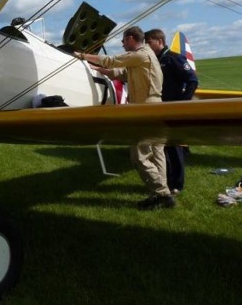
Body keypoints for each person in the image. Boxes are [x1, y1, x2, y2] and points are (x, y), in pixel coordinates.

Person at [74, 26, 175, 210]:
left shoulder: (140, 54)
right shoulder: (145, 57)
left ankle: (162, 194)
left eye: (123, 41)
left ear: (130, 39)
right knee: (156, 153)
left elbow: (113, 61)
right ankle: (160, 193)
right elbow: (120, 73)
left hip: (145, 108)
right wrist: (97, 69)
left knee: (139, 154)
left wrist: (83, 55)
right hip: (154, 107)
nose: (122, 44)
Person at [145, 29, 199, 195]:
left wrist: (182, 104)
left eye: (149, 42)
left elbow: (192, 80)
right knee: (163, 148)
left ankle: (177, 184)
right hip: (160, 107)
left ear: (159, 41)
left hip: (172, 107)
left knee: (175, 147)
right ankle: (166, 181)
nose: (147, 45)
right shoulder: (155, 59)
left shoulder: (173, 58)